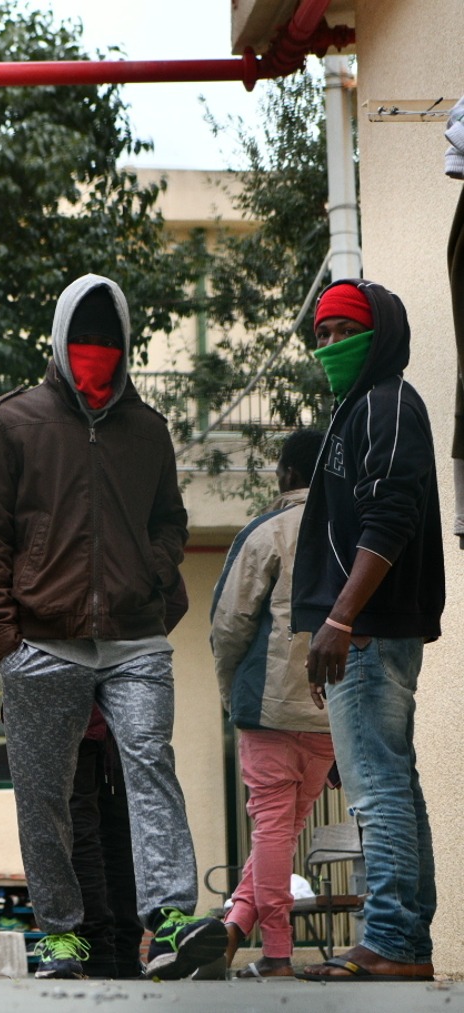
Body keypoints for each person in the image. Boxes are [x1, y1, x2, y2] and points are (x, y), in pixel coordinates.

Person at [0, 274, 223, 980]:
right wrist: (2, 636)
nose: (96, 354)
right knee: (44, 794)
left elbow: (170, 520)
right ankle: (62, 934)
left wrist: (153, 573)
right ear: (59, 340)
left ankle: (169, 919)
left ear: (126, 345)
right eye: (83, 341)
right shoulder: (12, 421)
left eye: (109, 342)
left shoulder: (148, 429)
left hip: (136, 638)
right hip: (42, 641)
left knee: (150, 766)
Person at [291, 282, 443, 983]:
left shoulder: (383, 403)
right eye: (320, 336)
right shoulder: (363, 407)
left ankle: (387, 938)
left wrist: (341, 618)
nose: (328, 347)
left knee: (378, 788)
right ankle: (404, 938)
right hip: (365, 631)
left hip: (369, 630)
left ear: (375, 334)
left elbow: (389, 516)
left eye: (340, 332)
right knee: (396, 784)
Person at [205, 429, 329, 979]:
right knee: (282, 833)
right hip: (331, 712)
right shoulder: (352, 532)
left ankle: (276, 953)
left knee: (272, 831)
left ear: (284, 474)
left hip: (270, 708)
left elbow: (229, 626)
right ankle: (234, 926)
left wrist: (232, 694)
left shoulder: (267, 532)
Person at [68, 707, 144, 979]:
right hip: (117, 724)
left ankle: (98, 950)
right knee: (118, 840)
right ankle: (124, 953)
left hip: (71, 723)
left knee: (80, 835)